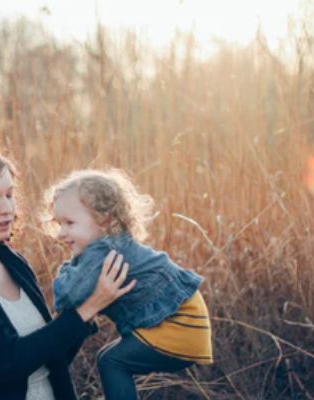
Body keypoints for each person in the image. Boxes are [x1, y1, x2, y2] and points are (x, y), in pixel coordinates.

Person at [0, 144, 136, 400]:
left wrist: (89, 307)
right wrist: (86, 308)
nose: (6, 208)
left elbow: (51, 358)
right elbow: (4, 364)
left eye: (9, 195)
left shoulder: (14, 262)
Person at [45, 169, 213, 400]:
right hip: (188, 322)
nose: (61, 233)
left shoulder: (102, 251)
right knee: (109, 355)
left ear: (104, 221)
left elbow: (66, 297)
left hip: (178, 326)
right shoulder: (114, 244)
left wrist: (65, 268)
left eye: (69, 223)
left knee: (112, 362)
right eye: (58, 223)